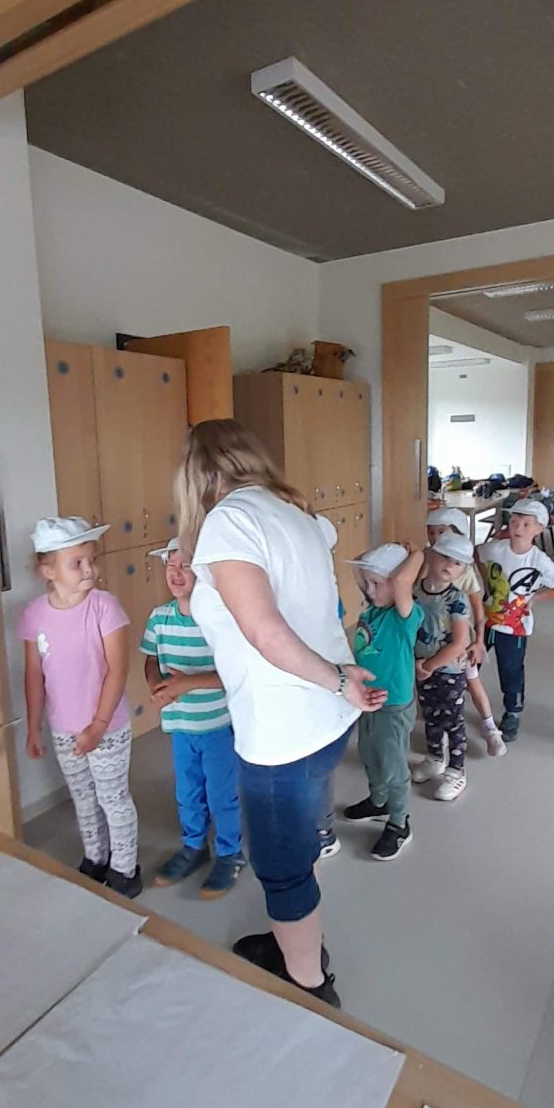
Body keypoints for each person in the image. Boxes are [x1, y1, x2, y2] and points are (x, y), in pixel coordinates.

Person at [181, 419, 384, 1009]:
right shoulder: (291, 512)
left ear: (202, 474)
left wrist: (339, 678)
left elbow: (266, 632)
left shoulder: (228, 520)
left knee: (281, 866)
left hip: (282, 730)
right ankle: (297, 943)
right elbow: (279, 611)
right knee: (300, 842)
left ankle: (311, 988)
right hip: (321, 720)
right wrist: (192, 593)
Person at [19, 516, 141, 897]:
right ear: (48, 571)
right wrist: (34, 727)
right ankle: (95, 857)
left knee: (112, 798)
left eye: (92, 560)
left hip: (107, 727)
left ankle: (125, 868)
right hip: (63, 728)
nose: (89, 570)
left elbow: (118, 671)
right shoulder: (35, 614)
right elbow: (34, 674)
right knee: (84, 798)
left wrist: (98, 726)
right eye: (77, 563)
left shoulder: (105, 607)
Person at [142, 538, 244, 899]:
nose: (176, 573)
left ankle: (231, 853)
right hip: (180, 725)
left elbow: (234, 671)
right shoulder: (159, 617)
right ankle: (193, 845)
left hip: (217, 725)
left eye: (185, 565)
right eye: (170, 565)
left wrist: (187, 683)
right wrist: (157, 686)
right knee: (187, 791)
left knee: (221, 794)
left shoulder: (217, 619)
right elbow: (151, 659)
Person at [340, 543, 424, 860]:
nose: (370, 589)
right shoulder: (373, 609)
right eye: (369, 583)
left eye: (377, 583)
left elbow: (401, 582)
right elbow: (358, 568)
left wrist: (416, 553)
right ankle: (379, 801)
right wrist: (374, 571)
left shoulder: (405, 617)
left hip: (393, 706)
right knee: (369, 753)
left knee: (393, 765)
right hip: (368, 700)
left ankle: (400, 823)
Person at [477, 498, 554, 743]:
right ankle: (453, 697)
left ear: (539, 528)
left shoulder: (538, 560)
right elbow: (477, 554)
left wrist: (536, 598)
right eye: (514, 522)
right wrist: (487, 582)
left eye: (526, 524)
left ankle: (513, 712)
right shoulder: (496, 549)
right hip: (486, 620)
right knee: (470, 662)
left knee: (510, 670)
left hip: (515, 627)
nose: (518, 528)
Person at [426, 507, 505, 757]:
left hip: (459, 643)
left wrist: (479, 640)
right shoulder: (428, 562)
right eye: (431, 532)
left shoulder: (463, 571)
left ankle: (490, 728)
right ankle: (439, 739)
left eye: (441, 532)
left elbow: (478, 609)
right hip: (430, 643)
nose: (435, 537)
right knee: (433, 691)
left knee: (471, 683)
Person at [412, 530, 474, 801]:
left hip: (449, 671)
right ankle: (435, 757)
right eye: (445, 557)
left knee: (452, 719)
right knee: (430, 715)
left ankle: (456, 771)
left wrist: (430, 666)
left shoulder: (457, 599)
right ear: (431, 555)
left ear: (463, 570)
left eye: (457, 562)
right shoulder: (416, 591)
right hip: (422, 668)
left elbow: (459, 643)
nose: (449, 565)